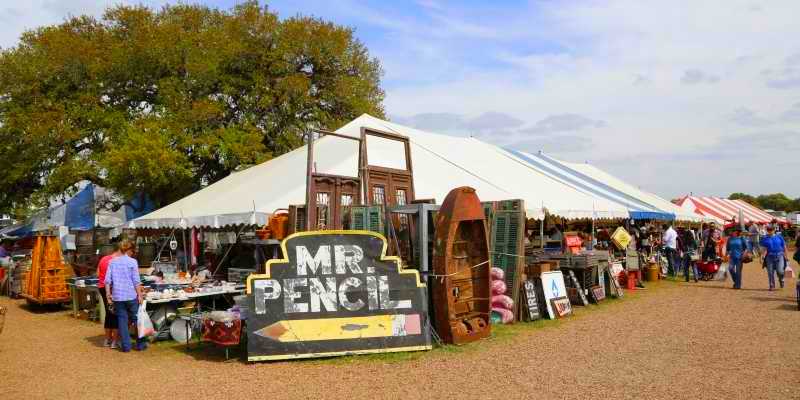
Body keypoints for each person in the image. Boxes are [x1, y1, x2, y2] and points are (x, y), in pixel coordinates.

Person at [105, 240, 146, 352]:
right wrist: (140, 295)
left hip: (118, 296)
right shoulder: (133, 262)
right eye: (132, 250)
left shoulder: (112, 262)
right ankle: (140, 344)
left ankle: (126, 346)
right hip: (131, 295)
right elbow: (136, 281)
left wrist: (108, 294)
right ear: (129, 250)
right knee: (137, 319)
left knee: (122, 321)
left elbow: (107, 281)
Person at [96, 244, 122, 348]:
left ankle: (107, 339)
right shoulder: (116, 261)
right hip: (111, 289)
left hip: (102, 287)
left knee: (108, 313)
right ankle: (115, 341)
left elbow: (98, 273)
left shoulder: (103, 259)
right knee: (115, 314)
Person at [759, 226, 788, 291]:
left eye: (771, 229)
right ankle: (772, 285)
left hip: (780, 255)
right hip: (769, 257)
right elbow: (763, 249)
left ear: (774, 230)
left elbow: (784, 247)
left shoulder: (779, 237)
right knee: (770, 272)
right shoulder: (765, 238)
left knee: (780, 271)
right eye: (768, 229)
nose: (770, 231)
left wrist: (786, 256)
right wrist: (761, 257)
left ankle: (781, 280)